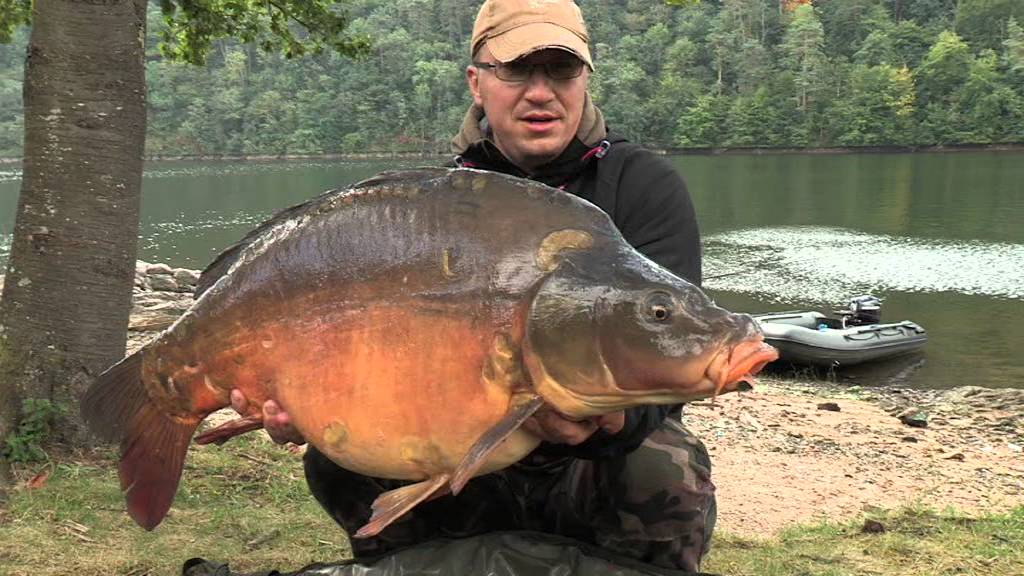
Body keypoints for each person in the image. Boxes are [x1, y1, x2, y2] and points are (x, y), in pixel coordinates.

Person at [231, 0, 715, 571]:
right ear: (477, 83)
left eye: (560, 71)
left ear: (585, 78)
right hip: (467, 432)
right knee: (336, 459)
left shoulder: (643, 186)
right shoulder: (443, 202)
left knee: (664, 464)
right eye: (516, 71)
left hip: (595, 454)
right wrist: (308, 400)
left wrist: (611, 422)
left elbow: (673, 348)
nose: (541, 92)